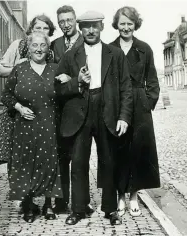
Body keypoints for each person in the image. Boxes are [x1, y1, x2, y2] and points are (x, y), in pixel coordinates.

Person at [55, 10, 133, 226]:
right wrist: (77, 82)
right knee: (78, 161)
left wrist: (124, 116)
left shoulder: (115, 54)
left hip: (107, 110)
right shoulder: (70, 56)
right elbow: (58, 89)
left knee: (108, 161)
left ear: (102, 27)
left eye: (95, 25)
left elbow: (126, 88)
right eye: (86, 26)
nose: (90, 30)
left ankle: (110, 209)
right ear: (80, 29)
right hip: (80, 110)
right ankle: (79, 209)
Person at [0, 14, 56, 216]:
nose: (40, 32)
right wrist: (21, 68)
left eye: (45, 29)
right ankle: (21, 197)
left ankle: (35, 198)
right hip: (16, 108)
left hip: (38, 112)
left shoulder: (47, 51)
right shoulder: (18, 45)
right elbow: (0, 69)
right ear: (30, 29)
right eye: (37, 27)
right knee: (16, 155)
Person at [1, 31, 63, 223]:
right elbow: (6, 95)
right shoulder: (20, 69)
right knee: (25, 163)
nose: (38, 49)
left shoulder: (55, 69)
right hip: (24, 126)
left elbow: (65, 94)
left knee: (48, 162)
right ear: (28, 48)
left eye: (42, 45)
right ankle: (28, 205)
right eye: (34, 45)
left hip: (48, 123)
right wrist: (19, 107)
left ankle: (47, 204)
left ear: (48, 49)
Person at [110, 6, 160, 217]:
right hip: (117, 104)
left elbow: (153, 81)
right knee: (119, 150)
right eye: (122, 23)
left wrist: (147, 103)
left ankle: (133, 196)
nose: (126, 27)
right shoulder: (109, 48)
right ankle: (120, 195)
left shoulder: (144, 49)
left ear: (135, 25)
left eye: (130, 23)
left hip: (139, 106)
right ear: (116, 25)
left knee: (138, 151)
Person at [50, 5, 84, 214]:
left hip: (82, 107)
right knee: (62, 158)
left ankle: (82, 202)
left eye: (69, 20)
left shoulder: (87, 42)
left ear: (76, 19)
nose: (66, 25)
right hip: (62, 109)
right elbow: (52, 79)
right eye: (61, 22)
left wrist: (71, 81)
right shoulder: (55, 45)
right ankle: (62, 202)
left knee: (81, 159)